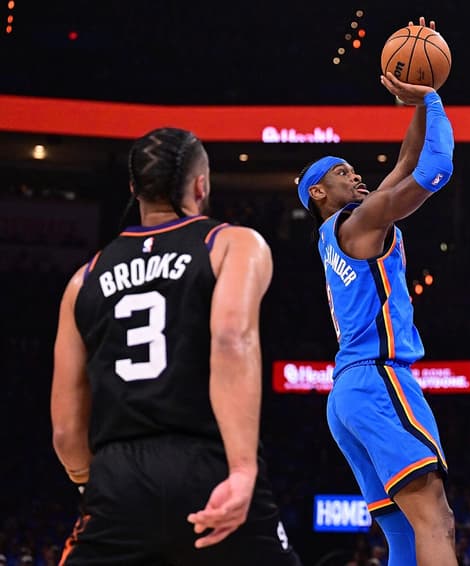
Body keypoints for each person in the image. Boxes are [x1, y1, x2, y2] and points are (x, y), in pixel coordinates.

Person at [50, 127, 301, 565]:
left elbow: (66, 431)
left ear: (134, 189)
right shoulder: (232, 244)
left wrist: (96, 485)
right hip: (210, 462)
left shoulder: (82, 279)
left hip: (117, 478)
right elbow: (231, 338)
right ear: (201, 185)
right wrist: (242, 469)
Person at [295, 18, 456, 566]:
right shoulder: (359, 223)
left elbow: (405, 162)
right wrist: (433, 99)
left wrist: (411, 102)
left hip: (348, 394)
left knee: (407, 537)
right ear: (319, 191)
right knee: (435, 515)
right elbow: (435, 169)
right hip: (378, 377)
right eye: (343, 172)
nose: (356, 175)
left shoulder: (338, 232)